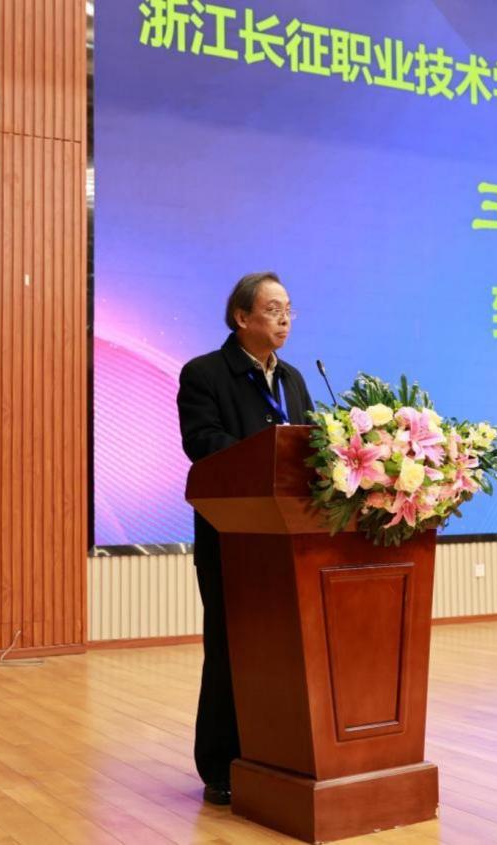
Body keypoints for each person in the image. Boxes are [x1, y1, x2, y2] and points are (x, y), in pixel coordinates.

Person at [176, 271, 315, 806]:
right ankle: (220, 765)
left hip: (289, 539)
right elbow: (202, 443)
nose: (285, 319)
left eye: (289, 309)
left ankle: (278, 753)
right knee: (231, 648)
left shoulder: (294, 378)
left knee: (285, 650)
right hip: (232, 537)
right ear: (241, 317)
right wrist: (266, 457)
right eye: (273, 309)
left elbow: (308, 445)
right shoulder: (205, 373)